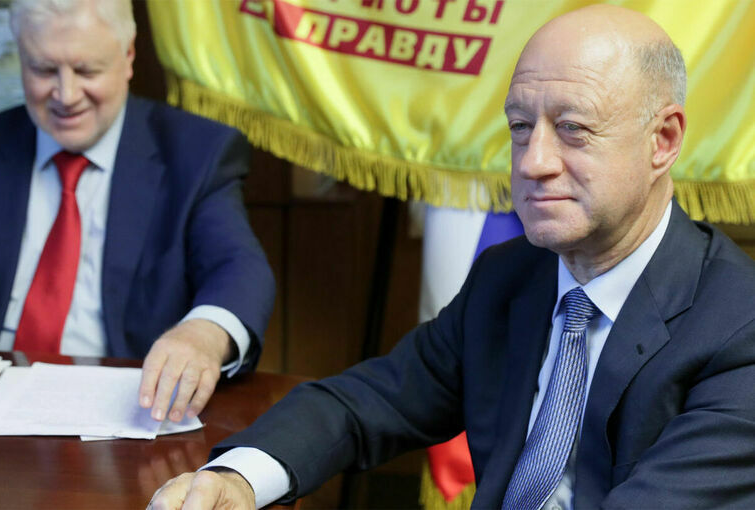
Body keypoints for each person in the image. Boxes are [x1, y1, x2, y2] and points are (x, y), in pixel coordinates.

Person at [150, 4, 755, 509]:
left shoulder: (739, 327)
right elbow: (370, 402)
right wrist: (238, 479)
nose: (533, 162)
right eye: (520, 127)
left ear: (663, 141)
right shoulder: (510, 277)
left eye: (573, 128)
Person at [0, 0, 274, 425]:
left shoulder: (196, 152)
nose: (66, 95)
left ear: (128, 56)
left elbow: (238, 265)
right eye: (43, 70)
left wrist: (202, 335)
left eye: (87, 71)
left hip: (124, 410)